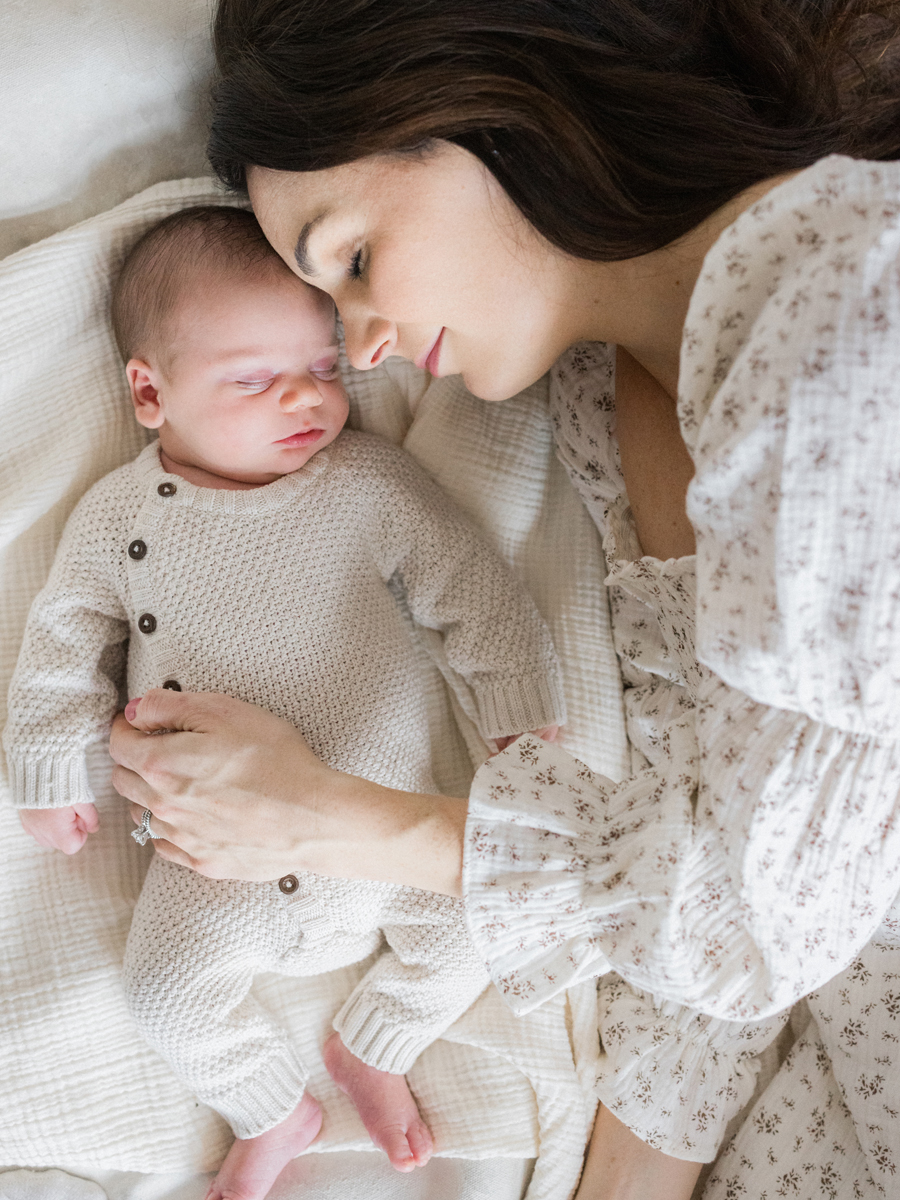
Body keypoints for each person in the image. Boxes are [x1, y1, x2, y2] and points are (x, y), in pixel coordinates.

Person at [107, 2, 900, 1197]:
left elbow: (750, 918)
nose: (361, 348)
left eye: (357, 260)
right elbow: (703, 887)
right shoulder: (599, 398)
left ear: (487, 101)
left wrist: (327, 814)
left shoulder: (844, 323)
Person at [2, 204, 566, 1200]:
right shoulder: (121, 516)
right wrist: (46, 765)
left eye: (324, 370)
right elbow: (58, 643)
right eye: (256, 381)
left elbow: (472, 589)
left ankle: (373, 1046)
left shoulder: (372, 487)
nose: (303, 399)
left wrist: (516, 705)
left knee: (494, 914)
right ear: (148, 392)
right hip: (213, 860)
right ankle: (273, 1110)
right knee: (166, 994)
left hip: (386, 832)